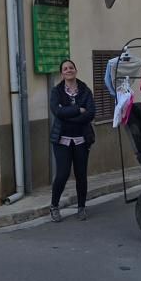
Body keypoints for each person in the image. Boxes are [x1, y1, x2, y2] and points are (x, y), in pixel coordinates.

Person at [49, 59, 96, 222]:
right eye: (65, 68)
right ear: (62, 73)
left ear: (75, 70)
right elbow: (56, 111)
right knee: (62, 174)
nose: (68, 70)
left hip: (81, 140)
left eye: (71, 68)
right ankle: (54, 206)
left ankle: (81, 207)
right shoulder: (56, 91)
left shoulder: (85, 90)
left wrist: (67, 114)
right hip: (61, 140)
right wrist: (78, 110)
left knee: (81, 175)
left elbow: (90, 113)